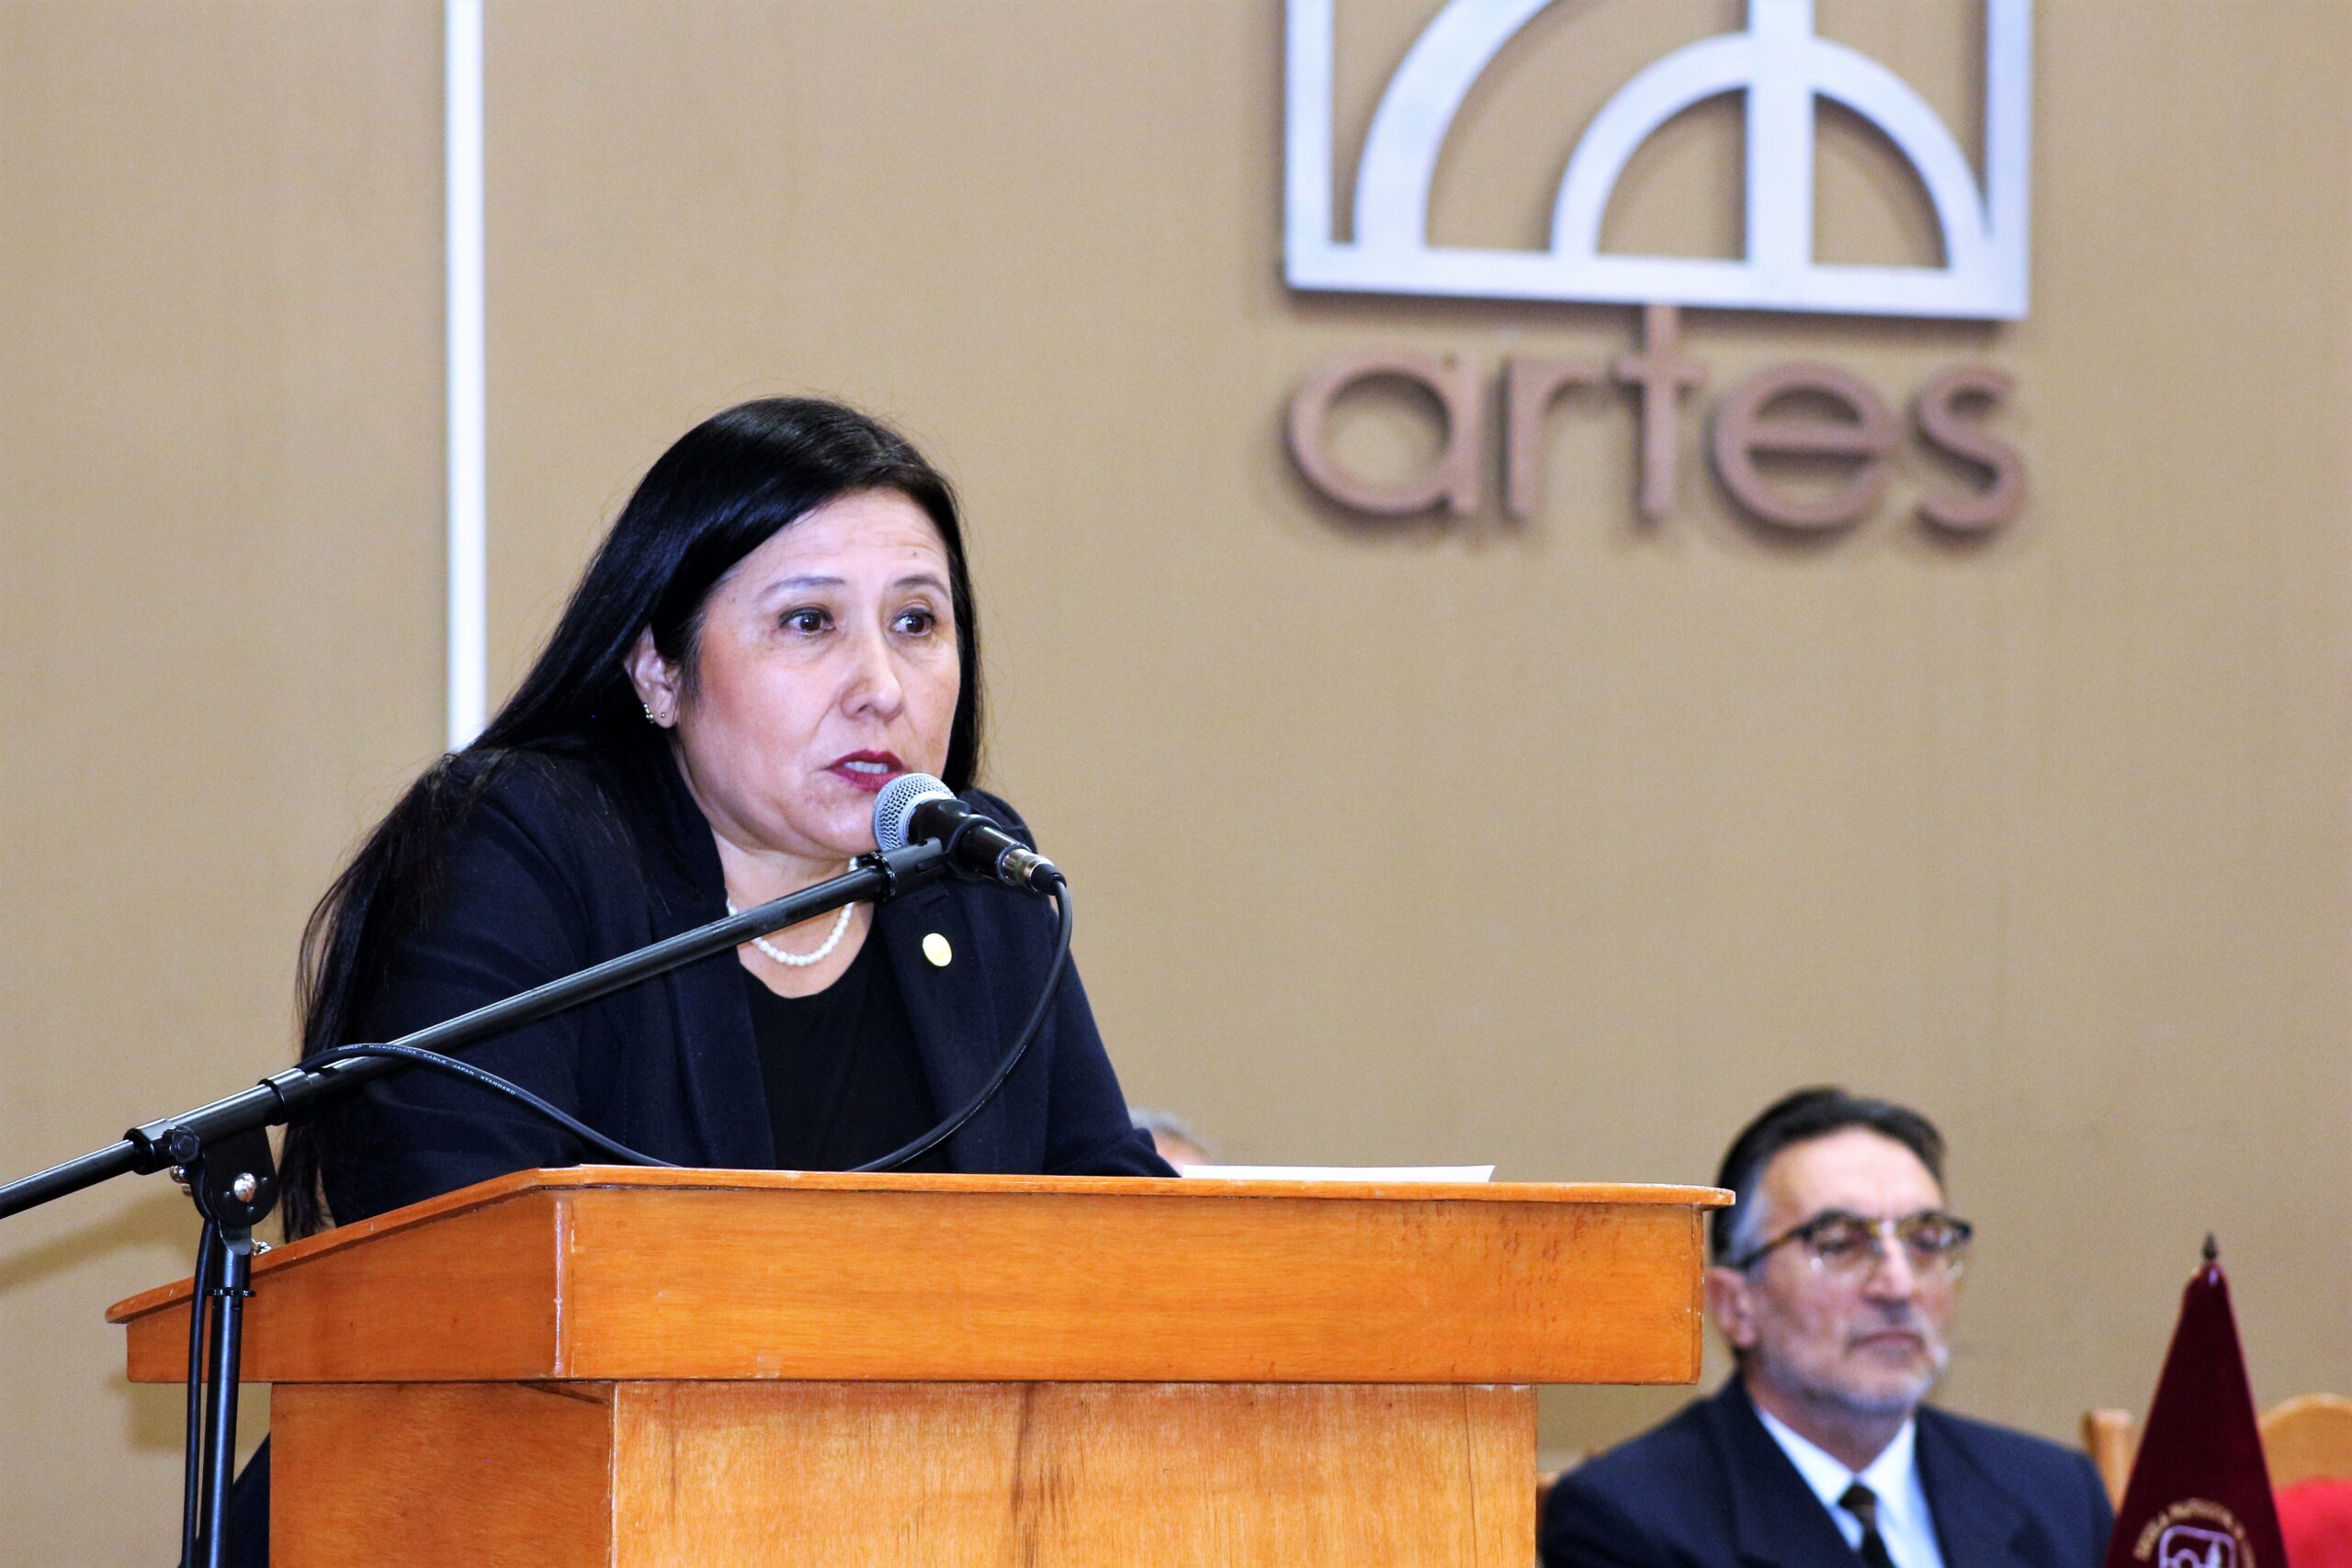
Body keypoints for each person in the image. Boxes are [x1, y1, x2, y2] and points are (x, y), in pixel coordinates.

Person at [212, 398, 1169, 1566]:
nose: (880, 685)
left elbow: (1115, 1229)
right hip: (488, 1519)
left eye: (917, 623)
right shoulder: (524, 843)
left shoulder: (976, 879)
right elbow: (456, 1246)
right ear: (658, 669)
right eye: (809, 622)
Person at [1540, 1087, 2113, 1568]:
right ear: (1736, 1306)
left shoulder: (2058, 1494)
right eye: (1840, 1244)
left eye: (1925, 1241)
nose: (1898, 1285)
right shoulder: (1629, 1523)